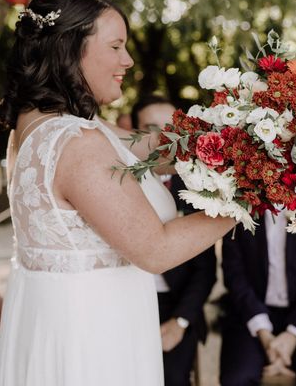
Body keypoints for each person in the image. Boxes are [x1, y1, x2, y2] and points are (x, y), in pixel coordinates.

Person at [0, 0, 234, 386]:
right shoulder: (78, 144)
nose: (128, 59)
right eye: (115, 46)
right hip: (92, 335)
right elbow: (155, 250)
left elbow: (147, 146)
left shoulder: (37, 125)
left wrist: (234, 137)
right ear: (70, 49)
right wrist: (250, 196)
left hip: (59, 321)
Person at [131, 95, 217, 386]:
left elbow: (206, 269)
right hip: (128, 300)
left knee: (173, 377)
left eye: (170, 127)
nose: (162, 137)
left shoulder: (197, 187)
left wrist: (180, 322)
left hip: (178, 305)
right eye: (150, 128)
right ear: (132, 133)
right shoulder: (119, 183)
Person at [219, 204, 296, 385]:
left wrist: (293, 333)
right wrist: (263, 331)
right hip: (251, 311)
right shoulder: (238, 197)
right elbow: (233, 272)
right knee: (236, 378)